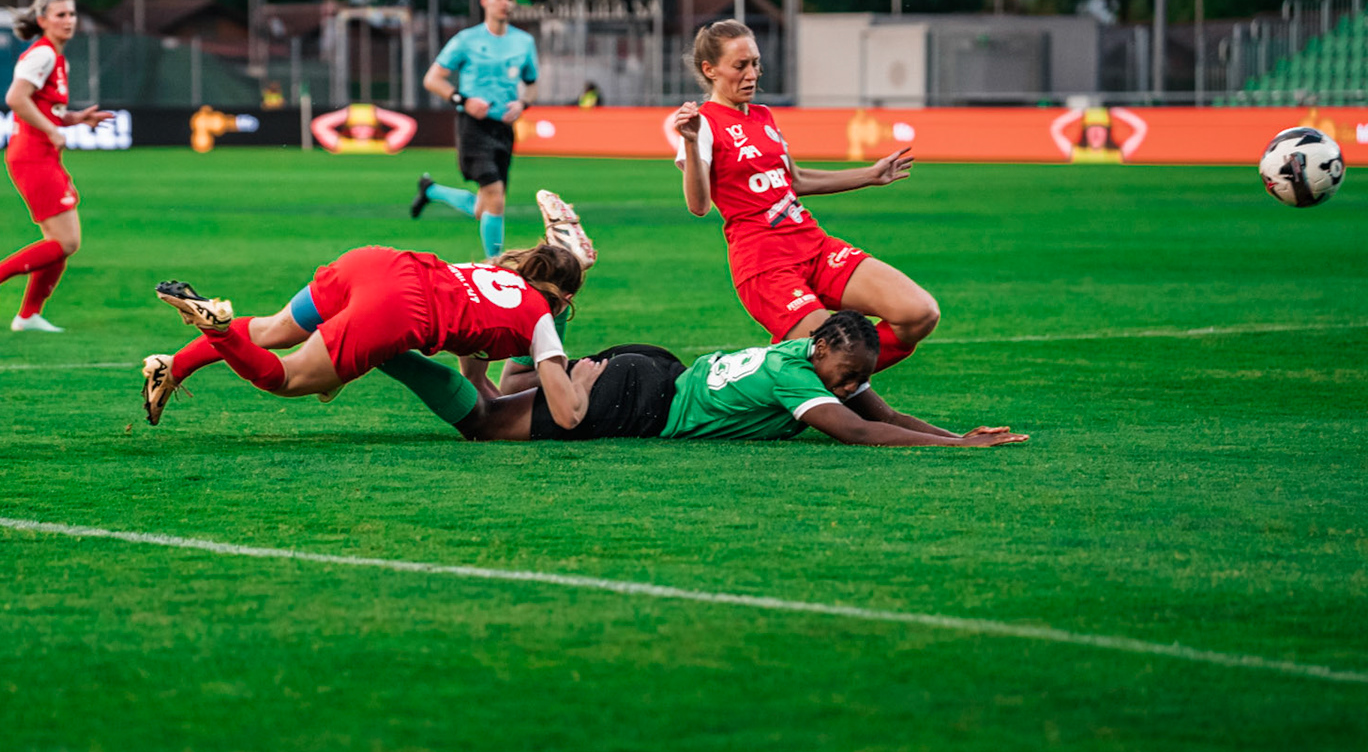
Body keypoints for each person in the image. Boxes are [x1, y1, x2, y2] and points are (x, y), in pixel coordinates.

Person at [674, 19, 937, 371]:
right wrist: (690, 143)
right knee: (832, 355)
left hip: (812, 244)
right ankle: (809, 378)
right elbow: (698, 205)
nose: (752, 74)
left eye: (755, 63)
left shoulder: (764, 115)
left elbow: (793, 180)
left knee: (919, 313)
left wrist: (869, 175)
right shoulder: (703, 123)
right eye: (740, 65)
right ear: (710, 70)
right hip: (765, 264)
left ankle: (817, 377)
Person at [391, 311, 1027, 449]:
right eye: (848, 373)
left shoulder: (808, 358)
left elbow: (880, 415)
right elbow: (856, 432)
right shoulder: (796, 375)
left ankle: (531, 325)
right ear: (820, 349)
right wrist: (952, 449)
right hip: (640, 399)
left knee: (505, 400)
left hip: (653, 368)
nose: (851, 384)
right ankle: (387, 352)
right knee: (482, 425)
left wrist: (952, 432)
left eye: (858, 376)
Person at [141, 242, 596, 431]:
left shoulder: (496, 273)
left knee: (269, 331)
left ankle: (172, 367)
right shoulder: (540, 317)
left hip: (377, 261)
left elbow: (476, 368)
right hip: (397, 307)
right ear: (565, 298)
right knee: (288, 378)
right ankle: (215, 329)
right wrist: (584, 382)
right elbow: (566, 415)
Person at [0, 0, 113, 333]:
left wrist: (73, 119)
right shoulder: (42, 55)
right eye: (60, 15)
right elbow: (16, 98)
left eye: (72, 14)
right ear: (42, 19)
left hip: (42, 155)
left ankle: (28, 316)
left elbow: (44, 105)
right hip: (32, 156)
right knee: (66, 242)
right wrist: (51, 129)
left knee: (61, 244)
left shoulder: (57, 58)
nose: (68, 21)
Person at [410, 0, 539, 258]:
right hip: (473, 127)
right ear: (485, 1)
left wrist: (523, 104)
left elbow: (531, 82)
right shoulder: (467, 40)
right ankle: (496, 265)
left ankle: (431, 191)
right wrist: (463, 100)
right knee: (495, 195)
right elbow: (433, 79)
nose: (505, 4)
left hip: (503, 129)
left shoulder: (524, 42)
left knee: (486, 207)